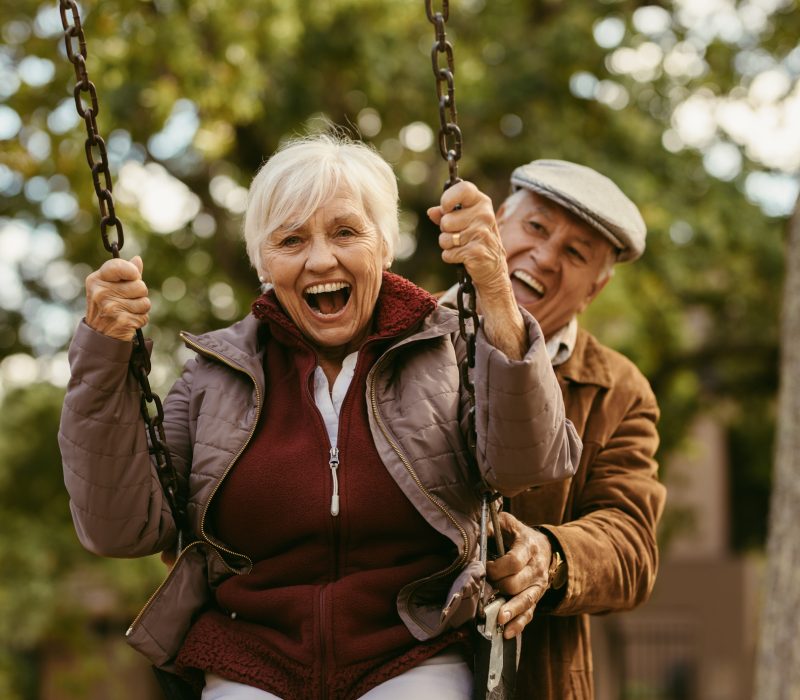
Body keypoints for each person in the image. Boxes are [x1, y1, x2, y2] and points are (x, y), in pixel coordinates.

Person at [58, 135, 581, 700]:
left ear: (384, 246)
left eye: (346, 232)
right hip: (250, 658)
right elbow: (122, 529)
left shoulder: (447, 348)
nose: (321, 259)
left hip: (413, 651)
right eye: (291, 239)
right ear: (265, 262)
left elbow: (528, 463)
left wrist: (495, 292)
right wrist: (104, 355)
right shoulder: (214, 376)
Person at [430, 159, 667, 699]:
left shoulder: (619, 391)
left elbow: (631, 545)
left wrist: (550, 555)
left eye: (576, 252)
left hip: (534, 680)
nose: (545, 256)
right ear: (497, 224)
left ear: (595, 290)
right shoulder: (397, 332)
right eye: (536, 227)